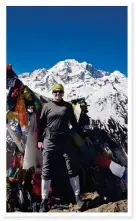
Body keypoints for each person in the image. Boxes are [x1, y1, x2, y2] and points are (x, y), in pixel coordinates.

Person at [38, 83, 84, 212]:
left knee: (71, 167)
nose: (57, 94)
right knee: (46, 169)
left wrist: (83, 135)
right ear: (52, 93)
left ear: (63, 93)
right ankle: (44, 201)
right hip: (49, 140)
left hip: (65, 140)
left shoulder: (68, 106)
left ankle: (77, 197)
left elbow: (74, 123)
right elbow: (41, 125)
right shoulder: (46, 106)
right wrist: (39, 141)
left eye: (60, 92)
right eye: (55, 92)